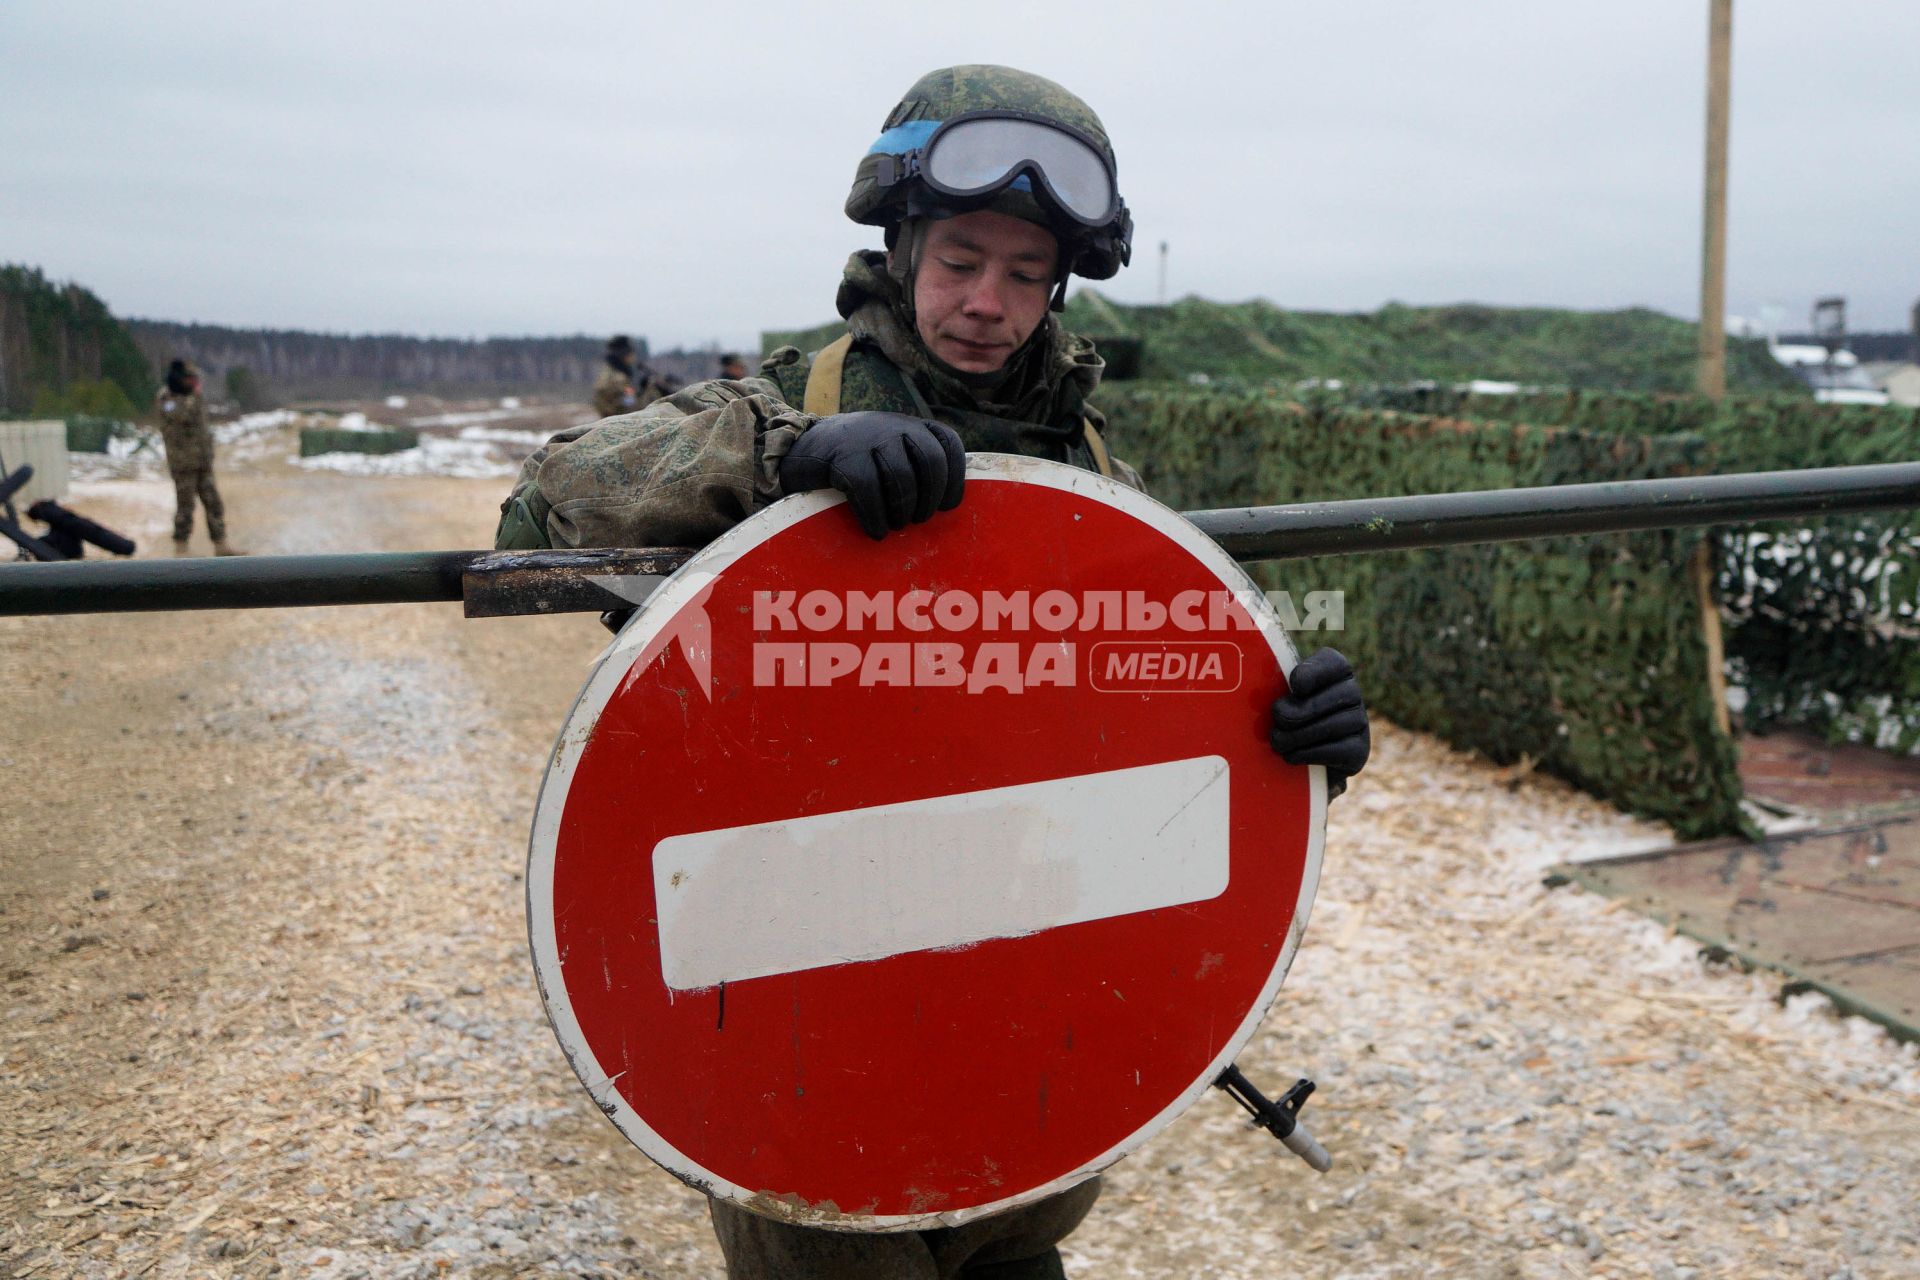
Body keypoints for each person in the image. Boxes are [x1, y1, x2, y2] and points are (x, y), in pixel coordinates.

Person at [498, 65, 1369, 1279]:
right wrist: (784, 458)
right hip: (804, 967)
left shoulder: (1080, 452)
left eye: (1025, 274)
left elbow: (1128, 705)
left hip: (1025, 968)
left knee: (1017, 1236)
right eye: (961, 258)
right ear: (903, 245)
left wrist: (1287, 733)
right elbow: (542, 505)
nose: (987, 303)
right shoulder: (796, 401)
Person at [154, 358, 242, 556]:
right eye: (189, 379)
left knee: (214, 502)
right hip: (183, 463)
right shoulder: (167, 398)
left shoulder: (193, 396)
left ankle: (221, 544)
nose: (193, 382)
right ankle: (181, 547)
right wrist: (191, 398)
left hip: (202, 461)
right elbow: (181, 416)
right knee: (185, 506)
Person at [591, 334, 666, 418]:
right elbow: (629, 408)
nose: (633, 357)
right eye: (631, 353)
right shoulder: (618, 379)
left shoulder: (610, 373)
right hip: (614, 423)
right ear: (624, 355)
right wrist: (646, 390)